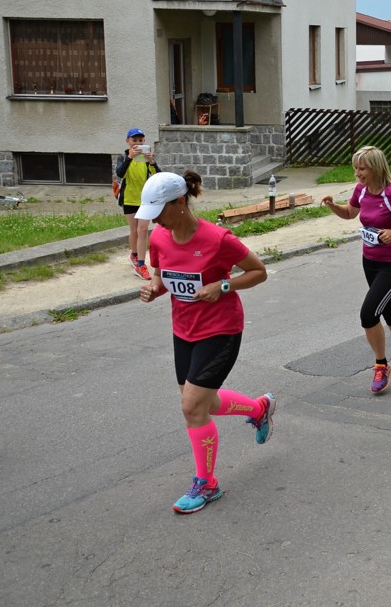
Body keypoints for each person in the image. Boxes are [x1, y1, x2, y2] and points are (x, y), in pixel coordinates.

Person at [136, 170, 274, 515]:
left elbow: (258, 271)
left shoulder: (218, 238)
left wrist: (223, 285)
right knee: (204, 404)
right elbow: (162, 277)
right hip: (183, 331)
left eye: (159, 211)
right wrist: (153, 288)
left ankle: (207, 484)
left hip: (221, 330)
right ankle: (258, 409)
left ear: (180, 202)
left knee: (191, 407)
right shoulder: (159, 238)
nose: (155, 220)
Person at [321, 145, 391, 395]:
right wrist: (332, 205)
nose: (357, 173)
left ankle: (381, 365)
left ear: (376, 168)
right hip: (369, 261)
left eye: (362, 168)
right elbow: (350, 213)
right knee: (390, 311)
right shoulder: (360, 190)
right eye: (356, 168)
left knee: (369, 314)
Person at [116, 128, 160, 280]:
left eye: (140, 140)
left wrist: (152, 162)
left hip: (145, 199)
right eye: (134, 140)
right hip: (129, 199)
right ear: (128, 141)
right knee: (134, 230)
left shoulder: (146, 159)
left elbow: (158, 176)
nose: (138, 143)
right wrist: (130, 157)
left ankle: (141, 265)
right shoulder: (123, 156)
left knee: (143, 230)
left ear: (144, 142)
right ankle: (134, 255)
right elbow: (120, 173)